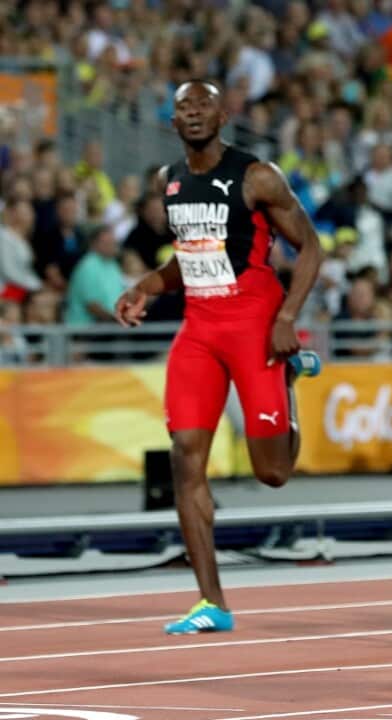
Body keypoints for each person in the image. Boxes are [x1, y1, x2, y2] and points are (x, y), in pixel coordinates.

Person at [114, 81, 323, 635]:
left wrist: (285, 320)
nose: (194, 113)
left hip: (255, 323)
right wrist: (146, 286)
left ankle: (289, 388)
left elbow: (312, 248)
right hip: (200, 328)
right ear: (173, 121)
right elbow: (191, 259)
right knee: (186, 454)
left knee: (272, 473)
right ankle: (212, 601)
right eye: (184, 107)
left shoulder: (257, 176)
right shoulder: (169, 181)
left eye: (203, 104)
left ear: (224, 114)